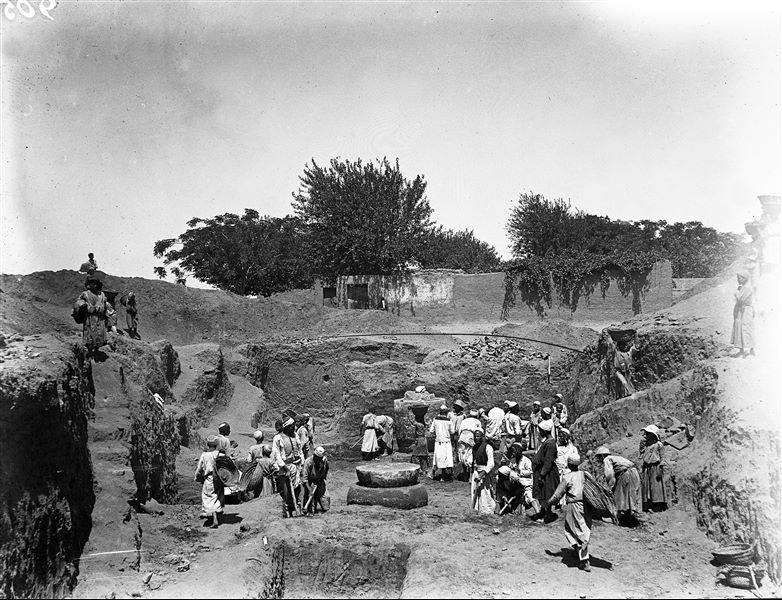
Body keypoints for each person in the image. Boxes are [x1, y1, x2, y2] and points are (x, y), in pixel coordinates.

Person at [548, 454, 592, 572]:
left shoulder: (568, 477)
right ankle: (579, 551)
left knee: (574, 530)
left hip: (574, 506)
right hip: (586, 505)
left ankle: (584, 560)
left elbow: (558, 493)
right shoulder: (585, 474)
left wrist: (551, 502)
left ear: (568, 464)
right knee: (583, 528)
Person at [594, 446, 642, 521]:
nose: (599, 459)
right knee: (628, 493)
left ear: (602, 455)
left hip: (626, 474)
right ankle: (628, 514)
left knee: (619, 495)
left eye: (599, 457)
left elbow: (609, 474)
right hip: (634, 473)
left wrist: (610, 487)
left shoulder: (607, 459)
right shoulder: (616, 457)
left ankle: (615, 517)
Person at [272, 416, 304, 518]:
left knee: (298, 488)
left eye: (294, 426)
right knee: (287, 490)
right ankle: (287, 510)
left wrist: (301, 464)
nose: (294, 428)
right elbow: (277, 454)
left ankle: (297, 507)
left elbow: (300, 451)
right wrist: (286, 468)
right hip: (285, 467)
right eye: (292, 426)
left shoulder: (295, 436)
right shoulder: (278, 438)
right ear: (286, 427)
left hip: (296, 465)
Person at [74, 276, 114, 358]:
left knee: (99, 334)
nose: (94, 286)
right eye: (92, 284)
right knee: (89, 334)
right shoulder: (85, 294)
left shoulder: (101, 295)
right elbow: (78, 303)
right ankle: (89, 351)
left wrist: (106, 313)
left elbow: (105, 305)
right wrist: (82, 305)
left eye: (96, 284)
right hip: (89, 318)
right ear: (89, 285)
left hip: (100, 318)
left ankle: (96, 350)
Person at [531, 419, 560, 523]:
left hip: (547, 473)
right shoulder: (547, 442)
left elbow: (548, 461)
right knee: (542, 492)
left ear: (545, 431)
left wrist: (542, 475)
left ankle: (547, 515)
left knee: (547, 493)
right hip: (542, 470)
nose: (539, 432)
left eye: (540, 430)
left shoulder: (550, 444)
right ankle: (543, 511)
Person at [194, 435, 224, 528]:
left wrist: (198, 478)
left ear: (207, 444)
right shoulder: (220, 454)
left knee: (209, 497)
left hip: (210, 479)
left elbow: (199, 469)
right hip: (219, 480)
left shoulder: (204, 455)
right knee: (217, 497)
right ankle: (216, 517)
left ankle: (214, 519)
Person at [496, 442, 534, 514]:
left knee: (528, 497)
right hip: (514, 481)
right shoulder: (512, 460)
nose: (515, 453)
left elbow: (530, 472)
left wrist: (520, 471)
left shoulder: (526, 461)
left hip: (525, 481)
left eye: (517, 451)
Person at [639, 425, 666, 512]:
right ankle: (649, 503)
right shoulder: (646, 444)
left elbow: (662, 457)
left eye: (648, 433)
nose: (646, 435)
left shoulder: (659, 445)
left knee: (656, 485)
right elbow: (641, 454)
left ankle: (657, 505)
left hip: (655, 466)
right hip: (647, 466)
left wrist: (660, 469)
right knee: (647, 485)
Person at [470, 428, 496, 515]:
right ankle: (477, 509)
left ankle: (487, 511)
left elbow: (491, 464)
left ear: (482, 437)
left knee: (486, 493)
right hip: (476, 472)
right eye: (475, 436)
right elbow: (473, 461)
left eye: (478, 436)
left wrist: (482, 474)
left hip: (484, 473)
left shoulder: (488, 447)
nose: (476, 438)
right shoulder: (474, 448)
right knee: (475, 492)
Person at [731, 271, 755, 357]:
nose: (738, 280)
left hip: (746, 310)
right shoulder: (741, 288)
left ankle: (751, 350)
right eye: (737, 278)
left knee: (746, 328)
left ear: (744, 279)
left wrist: (737, 294)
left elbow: (741, 300)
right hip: (740, 310)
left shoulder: (747, 288)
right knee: (739, 328)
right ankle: (741, 350)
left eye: (739, 278)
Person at [430, 405, 455, 481]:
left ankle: (435, 474)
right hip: (446, 442)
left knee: (438, 457)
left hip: (438, 441)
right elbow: (452, 431)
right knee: (446, 458)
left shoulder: (435, 420)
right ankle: (443, 476)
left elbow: (431, 431)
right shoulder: (448, 421)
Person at [456, 409, 482, 481]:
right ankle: (470, 476)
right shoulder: (477, 422)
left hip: (462, 436)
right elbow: (479, 432)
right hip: (470, 436)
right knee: (470, 455)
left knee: (462, 455)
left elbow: (459, 430)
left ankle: (465, 474)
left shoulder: (464, 421)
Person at [302, 446, 330, 513]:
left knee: (326, 500)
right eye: (318, 458)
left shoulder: (324, 460)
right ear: (315, 456)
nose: (320, 460)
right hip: (310, 482)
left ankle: (324, 507)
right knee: (311, 505)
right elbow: (304, 479)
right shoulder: (308, 462)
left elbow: (326, 468)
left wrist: (322, 477)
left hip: (320, 480)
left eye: (321, 458)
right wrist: (309, 490)